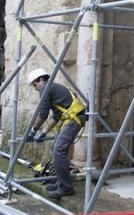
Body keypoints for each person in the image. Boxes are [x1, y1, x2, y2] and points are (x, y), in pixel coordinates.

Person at [23, 67, 86, 200]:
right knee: (55, 149)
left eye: (35, 84)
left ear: (40, 80)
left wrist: (33, 131)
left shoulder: (45, 89)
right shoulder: (53, 87)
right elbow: (56, 116)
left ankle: (66, 187)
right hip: (73, 118)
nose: (35, 88)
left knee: (59, 150)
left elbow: (43, 115)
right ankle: (59, 182)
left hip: (74, 119)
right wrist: (44, 132)